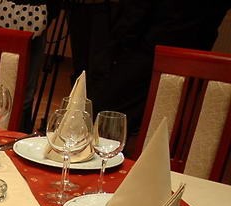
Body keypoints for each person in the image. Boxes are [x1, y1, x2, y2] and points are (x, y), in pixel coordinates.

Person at [89, 0, 230, 137]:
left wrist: (117, 46)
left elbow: (135, 14)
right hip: (195, 59)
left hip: (148, 53)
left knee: (104, 115)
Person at [0, 0, 61, 132]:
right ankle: (15, 131)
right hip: (26, 15)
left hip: (21, 14)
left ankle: (15, 131)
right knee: (19, 88)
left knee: (20, 88)